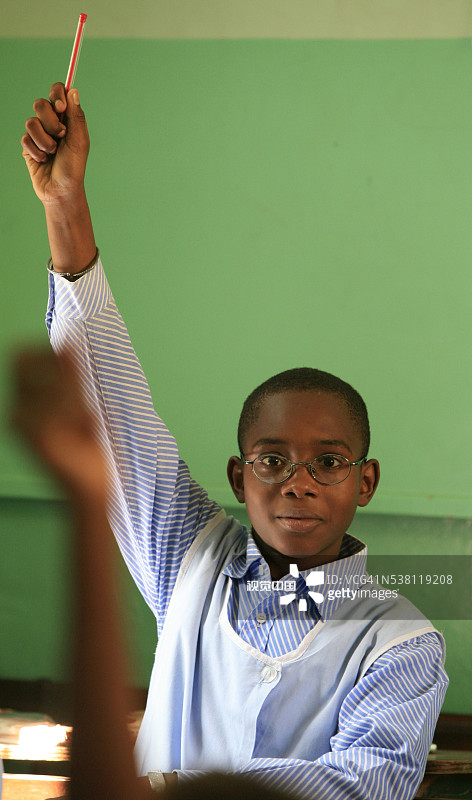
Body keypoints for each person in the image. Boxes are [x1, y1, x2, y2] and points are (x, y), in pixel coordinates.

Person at [21, 82, 448, 800]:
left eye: (329, 463)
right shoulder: (188, 558)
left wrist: (159, 786)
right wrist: (66, 208)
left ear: (365, 480)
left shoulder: (401, 641)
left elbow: (360, 788)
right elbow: (113, 408)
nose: (298, 482)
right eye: (272, 461)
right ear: (238, 474)